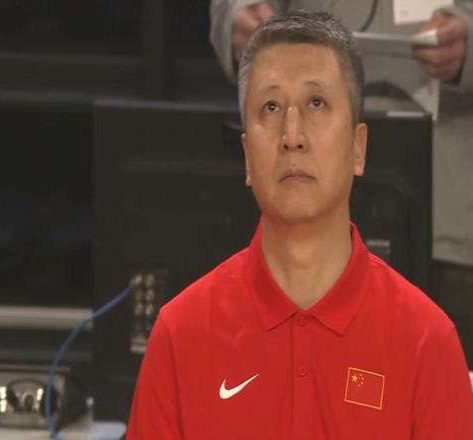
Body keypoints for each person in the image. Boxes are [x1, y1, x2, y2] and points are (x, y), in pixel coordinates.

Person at [126, 12, 473, 439]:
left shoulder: (427, 343)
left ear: (358, 148)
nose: (292, 135)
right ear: (247, 156)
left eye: (316, 104)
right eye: (271, 107)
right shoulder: (181, 336)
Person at [210, 0, 473, 368]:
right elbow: (236, 11)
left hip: (451, 208)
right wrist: (240, 15)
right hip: (295, 227)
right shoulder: (180, 326)